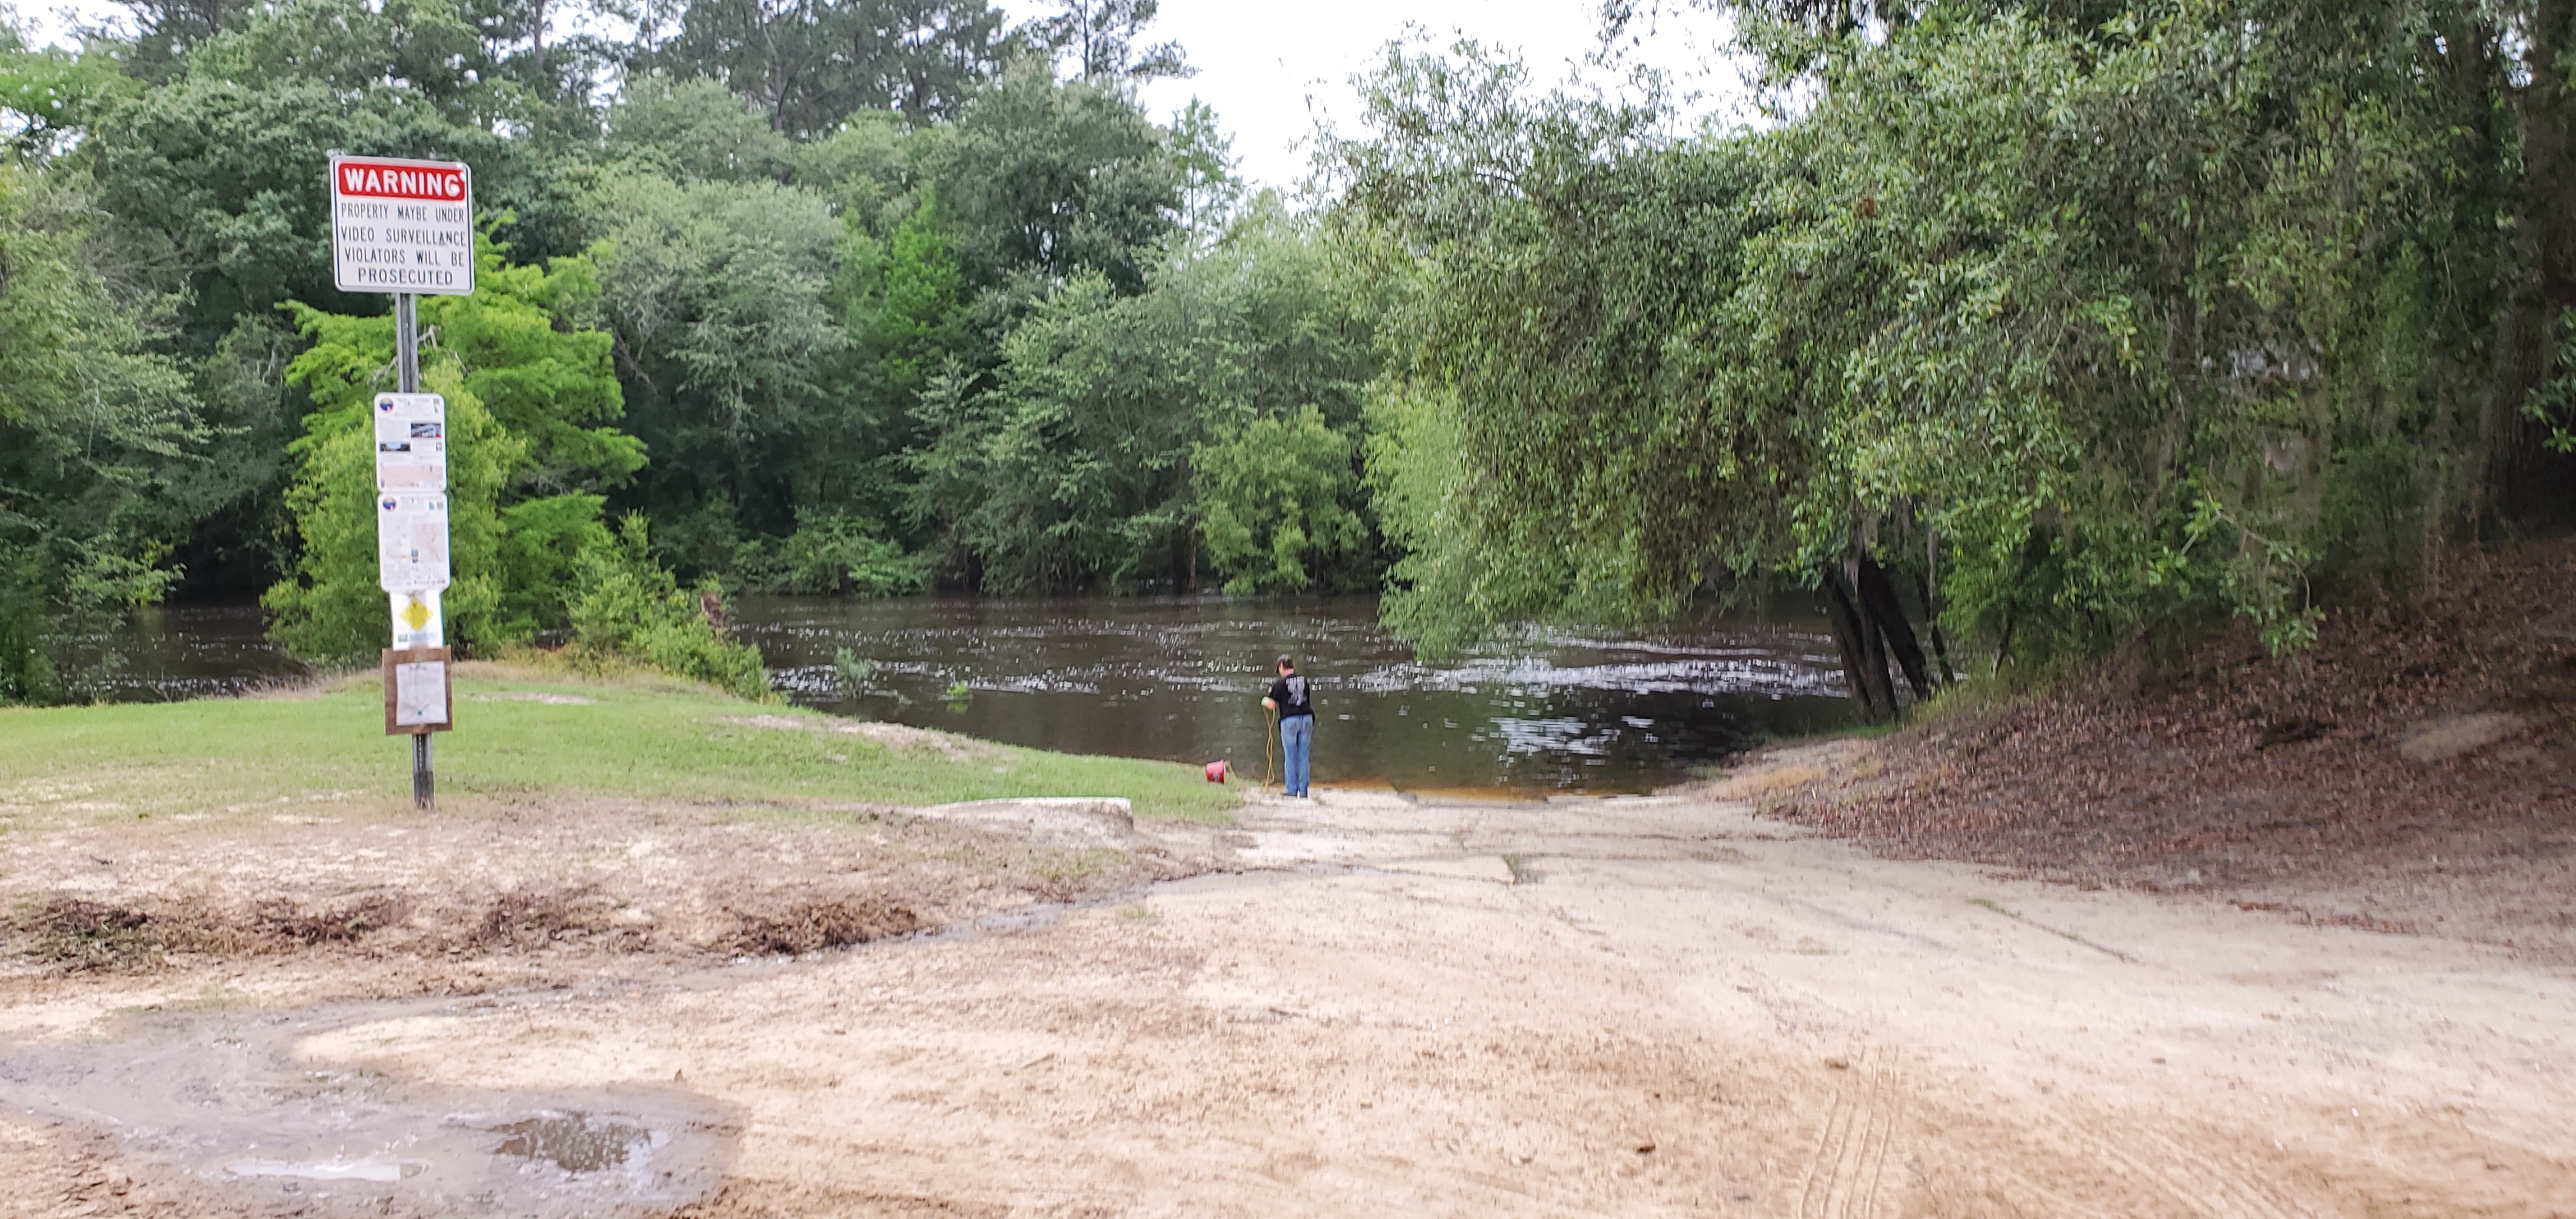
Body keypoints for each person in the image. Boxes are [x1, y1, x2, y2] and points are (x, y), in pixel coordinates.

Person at [1262, 654, 1314, 798]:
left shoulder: (1279, 684)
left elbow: (1271, 705)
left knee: (1291, 756)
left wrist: (1263, 700)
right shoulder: (1304, 680)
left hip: (1289, 720)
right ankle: (1303, 791)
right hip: (1307, 718)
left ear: (1281, 667)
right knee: (1304, 755)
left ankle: (1292, 790)